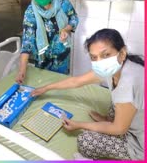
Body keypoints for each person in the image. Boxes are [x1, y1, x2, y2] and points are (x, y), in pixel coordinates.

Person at [31, 29, 144, 160]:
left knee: (85, 141)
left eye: (106, 55)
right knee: (114, 105)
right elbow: (76, 81)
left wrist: (79, 125)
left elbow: (119, 129)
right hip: (134, 118)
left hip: (139, 143)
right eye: (94, 57)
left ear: (122, 53)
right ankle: (108, 122)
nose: (100, 62)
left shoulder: (128, 83)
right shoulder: (116, 67)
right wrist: (46, 88)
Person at [16, 0, 79, 84]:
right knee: (43, 87)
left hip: (62, 57)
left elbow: (73, 18)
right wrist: (22, 70)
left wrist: (66, 29)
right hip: (42, 60)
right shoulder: (31, 12)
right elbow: (27, 42)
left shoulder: (62, 0)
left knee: (61, 86)